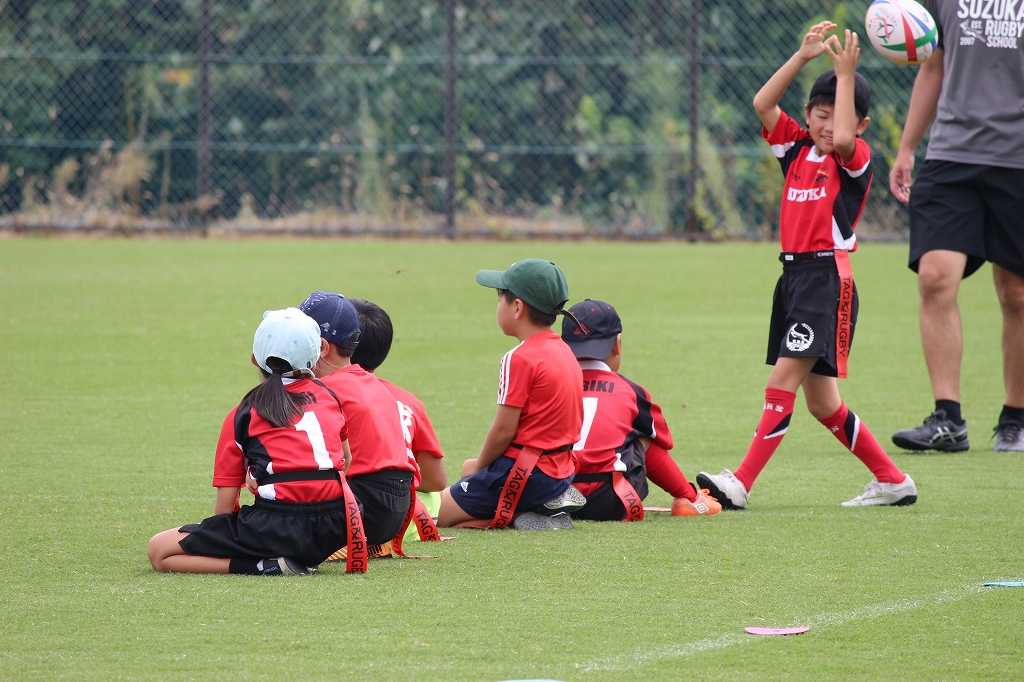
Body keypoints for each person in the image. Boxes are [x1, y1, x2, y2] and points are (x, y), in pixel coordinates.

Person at [697, 23, 918, 509]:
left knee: (781, 383)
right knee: (824, 404)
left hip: (825, 281)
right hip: (794, 279)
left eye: (838, 116)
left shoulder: (853, 159)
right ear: (807, 115)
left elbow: (843, 139)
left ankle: (740, 483)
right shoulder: (795, 149)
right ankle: (893, 480)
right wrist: (801, 57)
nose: (827, 125)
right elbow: (761, 103)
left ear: (861, 125)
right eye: (819, 115)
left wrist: (846, 75)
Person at [888, 0, 1024, 453]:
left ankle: (1016, 418)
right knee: (935, 277)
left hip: (1017, 160)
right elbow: (933, 67)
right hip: (951, 155)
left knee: (1016, 293)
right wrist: (907, 147)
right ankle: (948, 418)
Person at [147, 308, 367, 576]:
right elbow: (345, 462)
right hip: (338, 524)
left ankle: (265, 565)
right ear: (315, 357)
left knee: (159, 550)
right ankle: (294, 555)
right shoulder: (329, 397)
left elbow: (224, 509)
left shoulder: (244, 411)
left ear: (254, 358)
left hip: (278, 526)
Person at [437, 258, 585, 530]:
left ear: (517, 307)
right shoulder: (564, 350)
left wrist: (480, 468)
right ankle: (530, 512)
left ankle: (519, 513)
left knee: (433, 515)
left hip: (524, 472)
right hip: (559, 473)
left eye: (500, 299)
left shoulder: (519, 357)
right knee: (466, 487)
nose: (498, 307)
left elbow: (503, 431)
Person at [561, 299, 721, 521]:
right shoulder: (630, 391)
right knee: (642, 436)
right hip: (610, 501)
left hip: (555, 494)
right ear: (617, 345)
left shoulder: (551, 387)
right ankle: (690, 499)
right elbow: (662, 440)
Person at [298, 291, 418, 548]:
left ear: (322, 347)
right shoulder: (375, 385)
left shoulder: (323, 392)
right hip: (395, 510)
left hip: (361, 510)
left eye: (298, 338)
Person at [349, 297, 447, 543]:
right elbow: (435, 480)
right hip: (413, 518)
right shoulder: (406, 400)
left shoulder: (325, 397)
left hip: (354, 518)